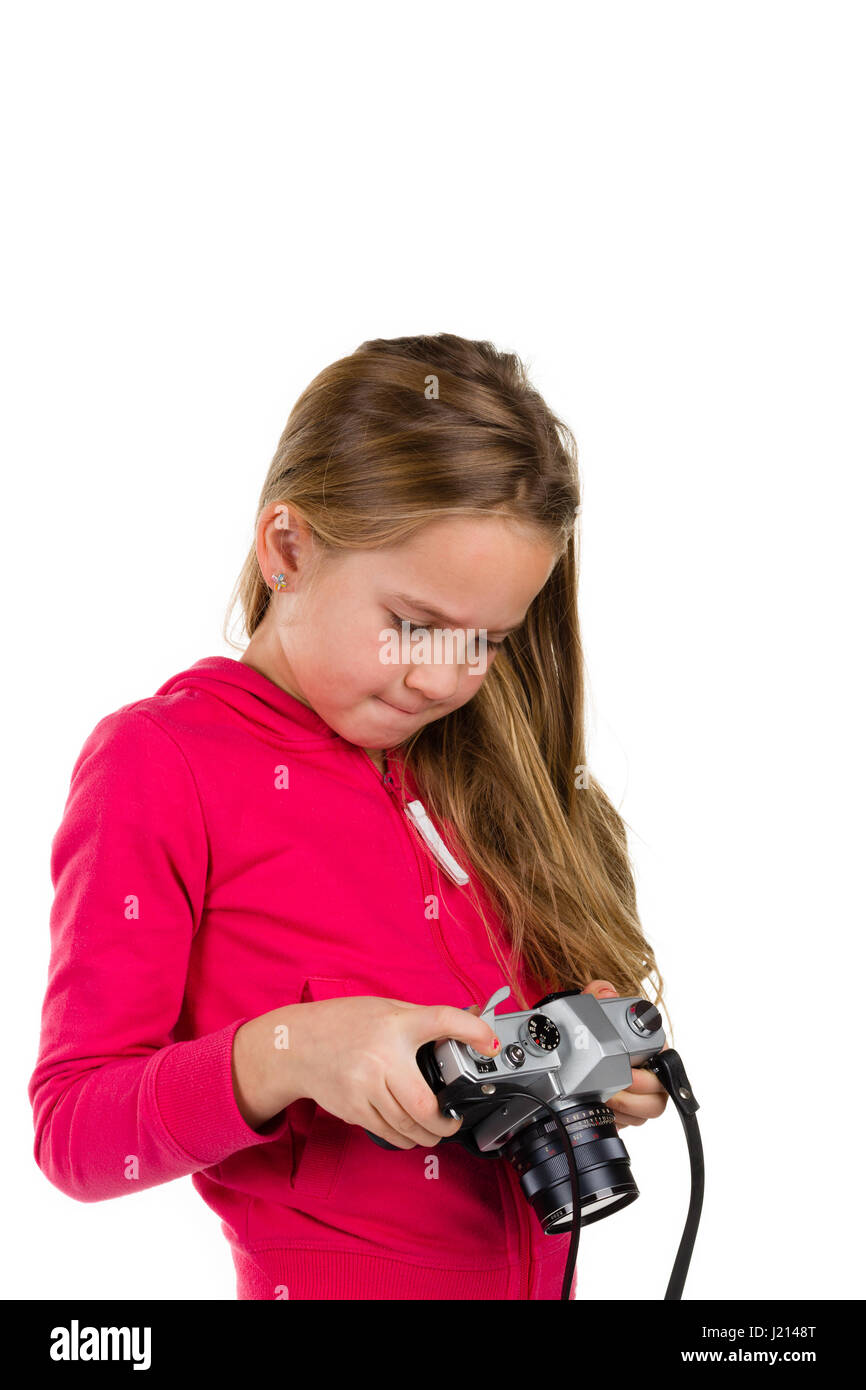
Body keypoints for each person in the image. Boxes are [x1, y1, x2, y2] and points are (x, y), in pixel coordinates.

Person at [28, 332, 670, 1300]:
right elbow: (76, 1136)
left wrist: (601, 1065)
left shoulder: (486, 771)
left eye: (486, 638)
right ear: (286, 546)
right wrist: (292, 1049)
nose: (448, 677)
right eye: (414, 622)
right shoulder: (161, 763)